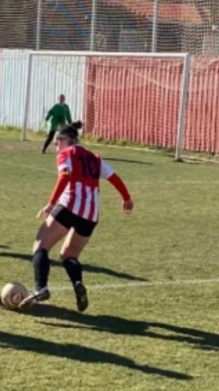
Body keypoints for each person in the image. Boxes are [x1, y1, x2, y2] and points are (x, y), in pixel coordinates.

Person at [19, 123, 133, 313]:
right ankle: (78, 284)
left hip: (70, 206)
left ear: (69, 140)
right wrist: (127, 198)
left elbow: (65, 175)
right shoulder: (95, 158)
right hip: (91, 214)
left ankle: (41, 288)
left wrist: (51, 203)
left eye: (58, 142)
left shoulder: (67, 153)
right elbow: (114, 177)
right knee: (68, 255)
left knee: (40, 246)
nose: (56, 147)